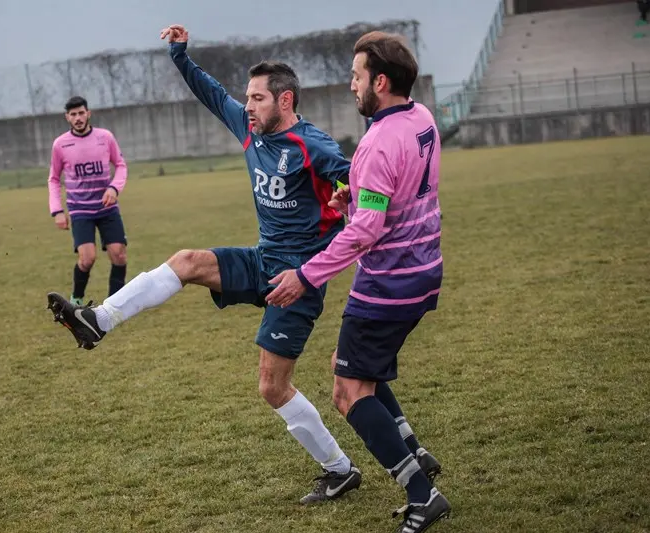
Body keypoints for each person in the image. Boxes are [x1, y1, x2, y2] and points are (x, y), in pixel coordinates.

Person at [47, 23, 363, 504]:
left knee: (272, 387)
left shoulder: (312, 146)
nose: (247, 106)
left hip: (295, 281)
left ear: (285, 100)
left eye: (257, 98)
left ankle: (339, 469)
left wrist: (345, 202)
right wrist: (180, 55)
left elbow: (359, 194)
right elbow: (210, 92)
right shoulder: (249, 130)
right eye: (247, 97)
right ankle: (98, 320)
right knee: (188, 261)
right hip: (262, 261)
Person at [266, 31, 451, 532]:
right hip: (424, 271)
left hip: (388, 282)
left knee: (348, 392)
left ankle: (421, 492)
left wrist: (305, 275)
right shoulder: (423, 119)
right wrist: (360, 198)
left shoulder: (373, 143)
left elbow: (367, 231)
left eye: (357, 76)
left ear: (381, 81)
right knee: (352, 367)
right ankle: (416, 452)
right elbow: (398, 194)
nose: (351, 85)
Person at [48, 96, 129, 305]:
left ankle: (115, 304)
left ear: (88, 113)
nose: (78, 118)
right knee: (87, 258)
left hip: (107, 207)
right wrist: (57, 210)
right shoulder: (60, 145)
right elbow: (54, 179)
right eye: (73, 114)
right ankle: (76, 299)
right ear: (67, 117)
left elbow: (120, 165)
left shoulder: (105, 137)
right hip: (80, 209)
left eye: (81, 113)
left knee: (119, 254)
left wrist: (114, 188)